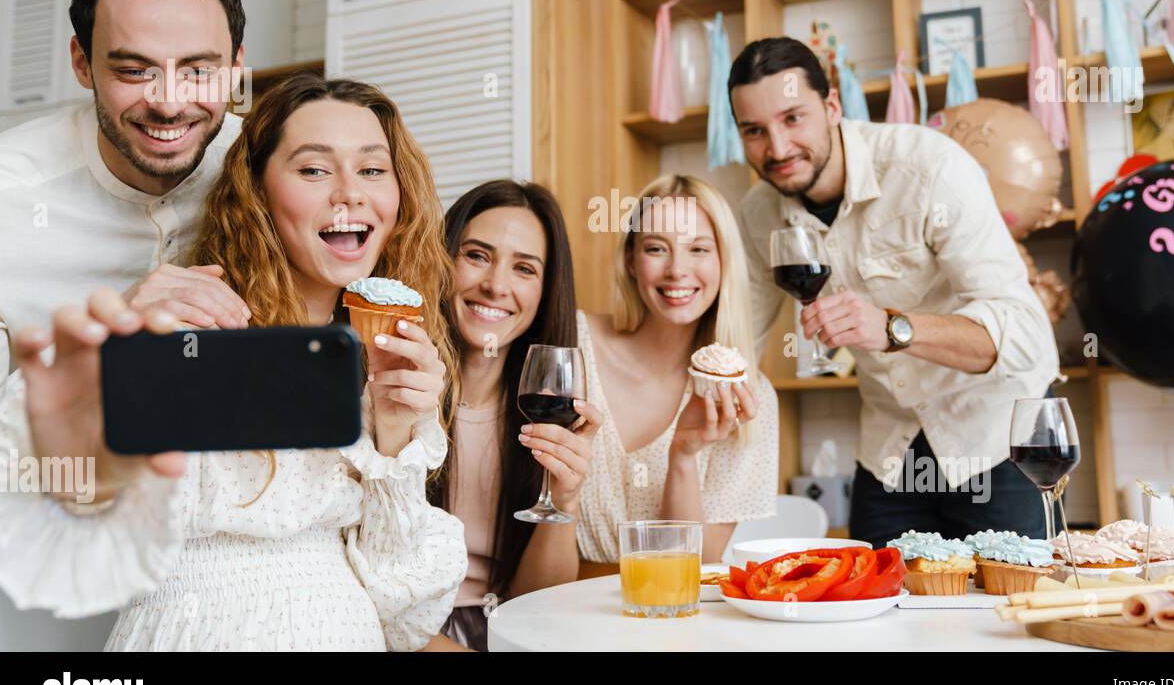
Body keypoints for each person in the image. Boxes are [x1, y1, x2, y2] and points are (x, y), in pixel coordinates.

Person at [0, 73, 467, 651]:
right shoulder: (190, 324)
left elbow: (402, 614)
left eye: (372, 169)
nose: (351, 192)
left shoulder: (390, 360)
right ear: (257, 190)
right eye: (315, 170)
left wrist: (394, 437)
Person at [0, 0, 255, 649]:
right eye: (134, 70)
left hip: (227, 590)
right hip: (38, 600)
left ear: (236, 68)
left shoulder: (273, 174)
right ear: (82, 62)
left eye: (199, 70)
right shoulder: (3, 200)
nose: (169, 103)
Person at [730, 36, 1060, 547]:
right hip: (892, 448)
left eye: (793, 118)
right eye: (755, 130)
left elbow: (1025, 335)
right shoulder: (757, 214)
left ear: (832, 106)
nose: (777, 148)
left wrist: (891, 328)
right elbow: (737, 343)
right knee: (874, 611)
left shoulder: (928, 168)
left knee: (1005, 612)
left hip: (998, 434)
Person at [433, 180, 604, 651]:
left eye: (524, 268)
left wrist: (565, 501)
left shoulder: (546, 422)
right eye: (476, 255)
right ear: (441, 259)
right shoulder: (395, 392)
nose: (495, 285)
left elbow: (540, 606)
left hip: (510, 634)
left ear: (546, 291)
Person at [575, 174, 779, 566]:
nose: (677, 270)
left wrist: (684, 456)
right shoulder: (572, 344)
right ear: (631, 260)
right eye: (656, 248)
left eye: (698, 249)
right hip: (560, 602)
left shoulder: (750, 398)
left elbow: (697, 566)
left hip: (671, 611)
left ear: (724, 262)